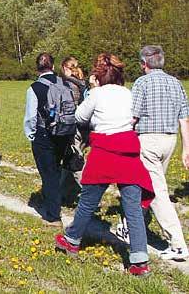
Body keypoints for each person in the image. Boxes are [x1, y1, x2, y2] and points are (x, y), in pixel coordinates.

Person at [55, 53, 154, 277]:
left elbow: (80, 117)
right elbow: (134, 119)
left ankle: (72, 239)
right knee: (132, 208)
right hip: (128, 149)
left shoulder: (97, 94)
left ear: (98, 75)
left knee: (88, 200)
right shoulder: (129, 93)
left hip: (104, 150)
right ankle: (139, 260)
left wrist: (91, 96)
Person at [132, 45, 189, 261]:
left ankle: (177, 243)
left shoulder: (141, 83)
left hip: (149, 139)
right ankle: (130, 225)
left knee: (157, 192)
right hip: (170, 140)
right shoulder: (176, 83)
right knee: (146, 185)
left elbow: (133, 116)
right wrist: (186, 149)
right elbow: (184, 119)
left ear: (144, 64)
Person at [24, 53, 74, 227]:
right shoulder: (64, 83)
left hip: (44, 135)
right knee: (56, 169)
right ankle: (54, 199)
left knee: (48, 173)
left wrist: (31, 135)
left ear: (37, 68)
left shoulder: (34, 88)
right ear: (53, 66)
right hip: (64, 132)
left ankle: (53, 215)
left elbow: (31, 116)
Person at [60, 57, 89, 202]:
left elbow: (67, 107)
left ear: (66, 68)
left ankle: (88, 195)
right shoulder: (82, 83)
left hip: (73, 126)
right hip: (84, 126)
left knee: (75, 160)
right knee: (69, 158)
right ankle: (60, 192)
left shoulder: (68, 84)